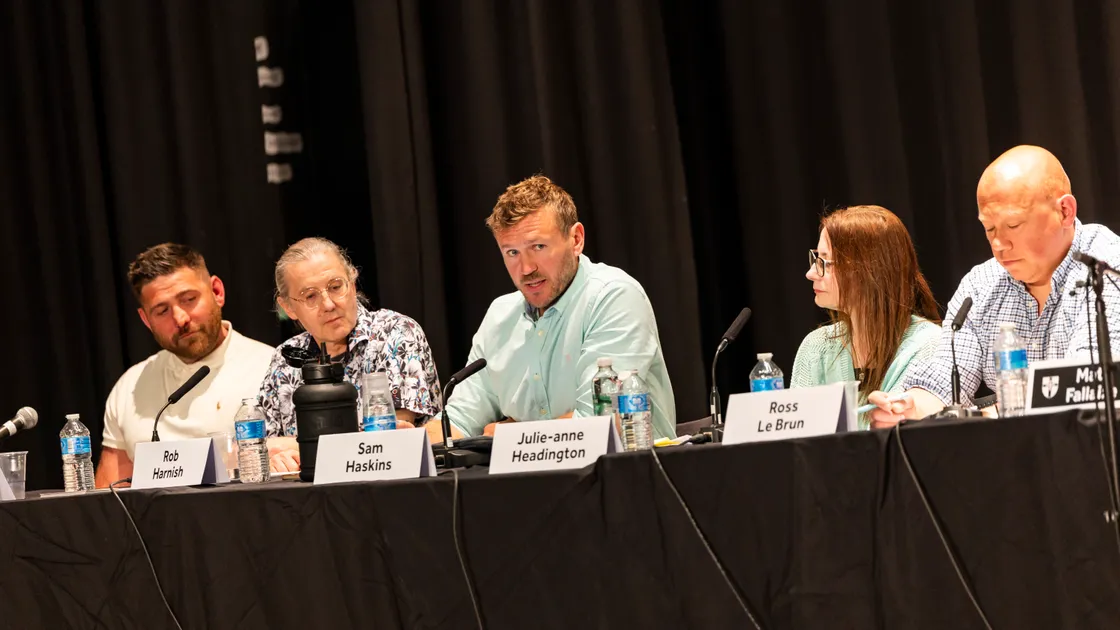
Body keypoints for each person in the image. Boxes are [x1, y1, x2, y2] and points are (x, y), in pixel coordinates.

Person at [868, 145, 1120, 425]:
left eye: (1013, 225)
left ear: (1064, 211)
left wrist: (991, 413)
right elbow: (945, 379)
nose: (999, 245)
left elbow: (1085, 385)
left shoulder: (1109, 268)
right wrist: (907, 406)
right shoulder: (980, 286)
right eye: (989, 228)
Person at [434, 174, 676, 443]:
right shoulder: (499, 317)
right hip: (534, 482)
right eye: (512, 252)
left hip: (627, 478)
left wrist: (508, 432)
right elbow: (457, 421)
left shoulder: (614, 296)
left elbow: (599, 424)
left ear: (576, 240)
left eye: (538, 247)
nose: (526, 269)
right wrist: (405, 442)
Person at [95, 244, 275, 487]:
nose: (180, 319)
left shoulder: (273, 369)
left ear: (217, 291)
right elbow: (110, 499)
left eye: (189, 299)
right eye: (162, 311)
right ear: (145, 320)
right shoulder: (130, 388)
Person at [257, 237, 442, 471]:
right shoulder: (285, 359)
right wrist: (276, 459)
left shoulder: (395, 333)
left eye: (336, 287)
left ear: (352, 283)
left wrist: (297, 445)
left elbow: (387, 440)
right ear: (289, 308)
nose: (328, 304)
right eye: (310, 296)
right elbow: (263, 445)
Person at [791, 206, 941, 428]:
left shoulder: (930, 345)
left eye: (824, 261)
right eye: (815, 258)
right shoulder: (816, 347)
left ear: (866, 272)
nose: (811, 273)